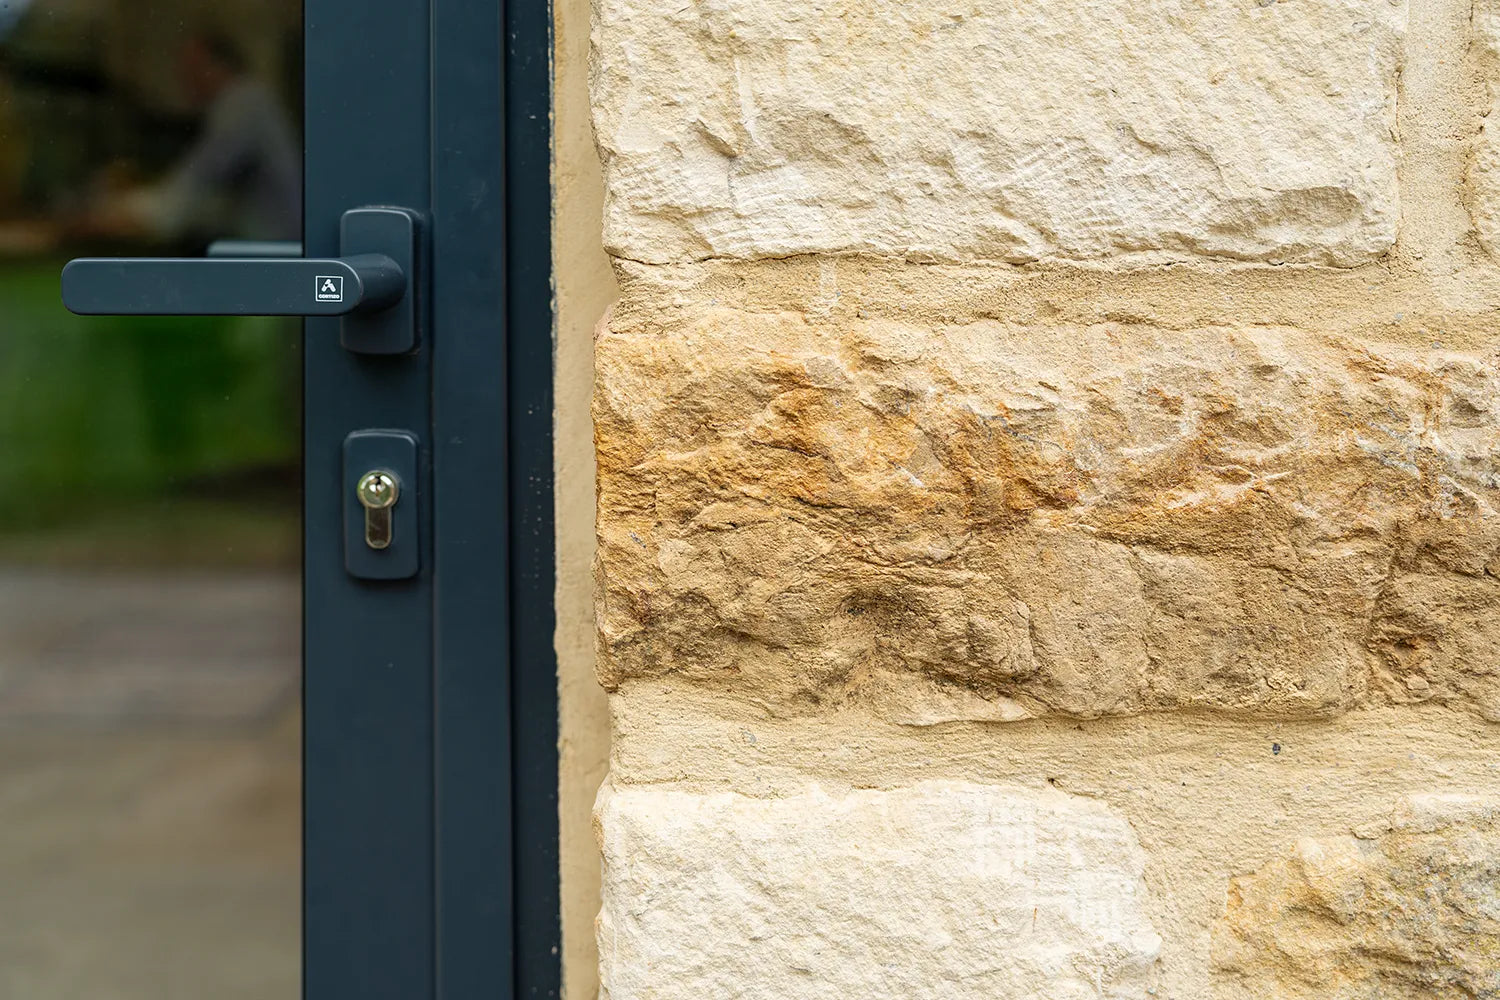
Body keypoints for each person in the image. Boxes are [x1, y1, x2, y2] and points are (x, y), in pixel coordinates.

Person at [106, 32, 301, 244]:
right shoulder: (244, 101)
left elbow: (185, 195)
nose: (185, 79)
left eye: (193, 69)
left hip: (282, 251)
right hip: (266, 246)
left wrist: (107, 215)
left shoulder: (243, 107)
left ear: (218, 65)